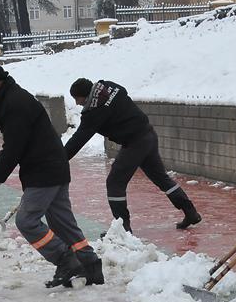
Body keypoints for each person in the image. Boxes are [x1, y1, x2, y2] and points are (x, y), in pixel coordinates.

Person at [0, 62, 104, 288]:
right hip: (53, 166)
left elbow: (14, 146)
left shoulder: (14, 103)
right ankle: (90, 264)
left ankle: (66, 260)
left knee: (26, 220)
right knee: (62, 222)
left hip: (44, 170)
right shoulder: (15, 98)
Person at [66, 78, 201, 233]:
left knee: (115, 182)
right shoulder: (109, 87)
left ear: (85, 96)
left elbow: (78, 139)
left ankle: (123, 229)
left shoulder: (94, 112)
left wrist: (59, 159)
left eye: (77, 99)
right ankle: (190, 212)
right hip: (148, 134)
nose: (77, 103)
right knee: (161, 178)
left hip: (134, 143)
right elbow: (122, 91)